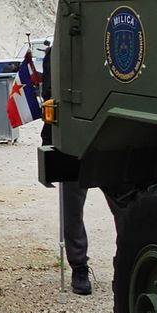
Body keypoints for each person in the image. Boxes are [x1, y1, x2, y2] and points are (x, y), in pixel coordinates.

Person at [41, 120, 92, 294]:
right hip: (74, 144)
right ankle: (79, 266)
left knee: (126, 210)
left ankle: (128, 263)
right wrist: (48, 142)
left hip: (110, 143)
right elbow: (54, 106)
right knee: (72, 210)